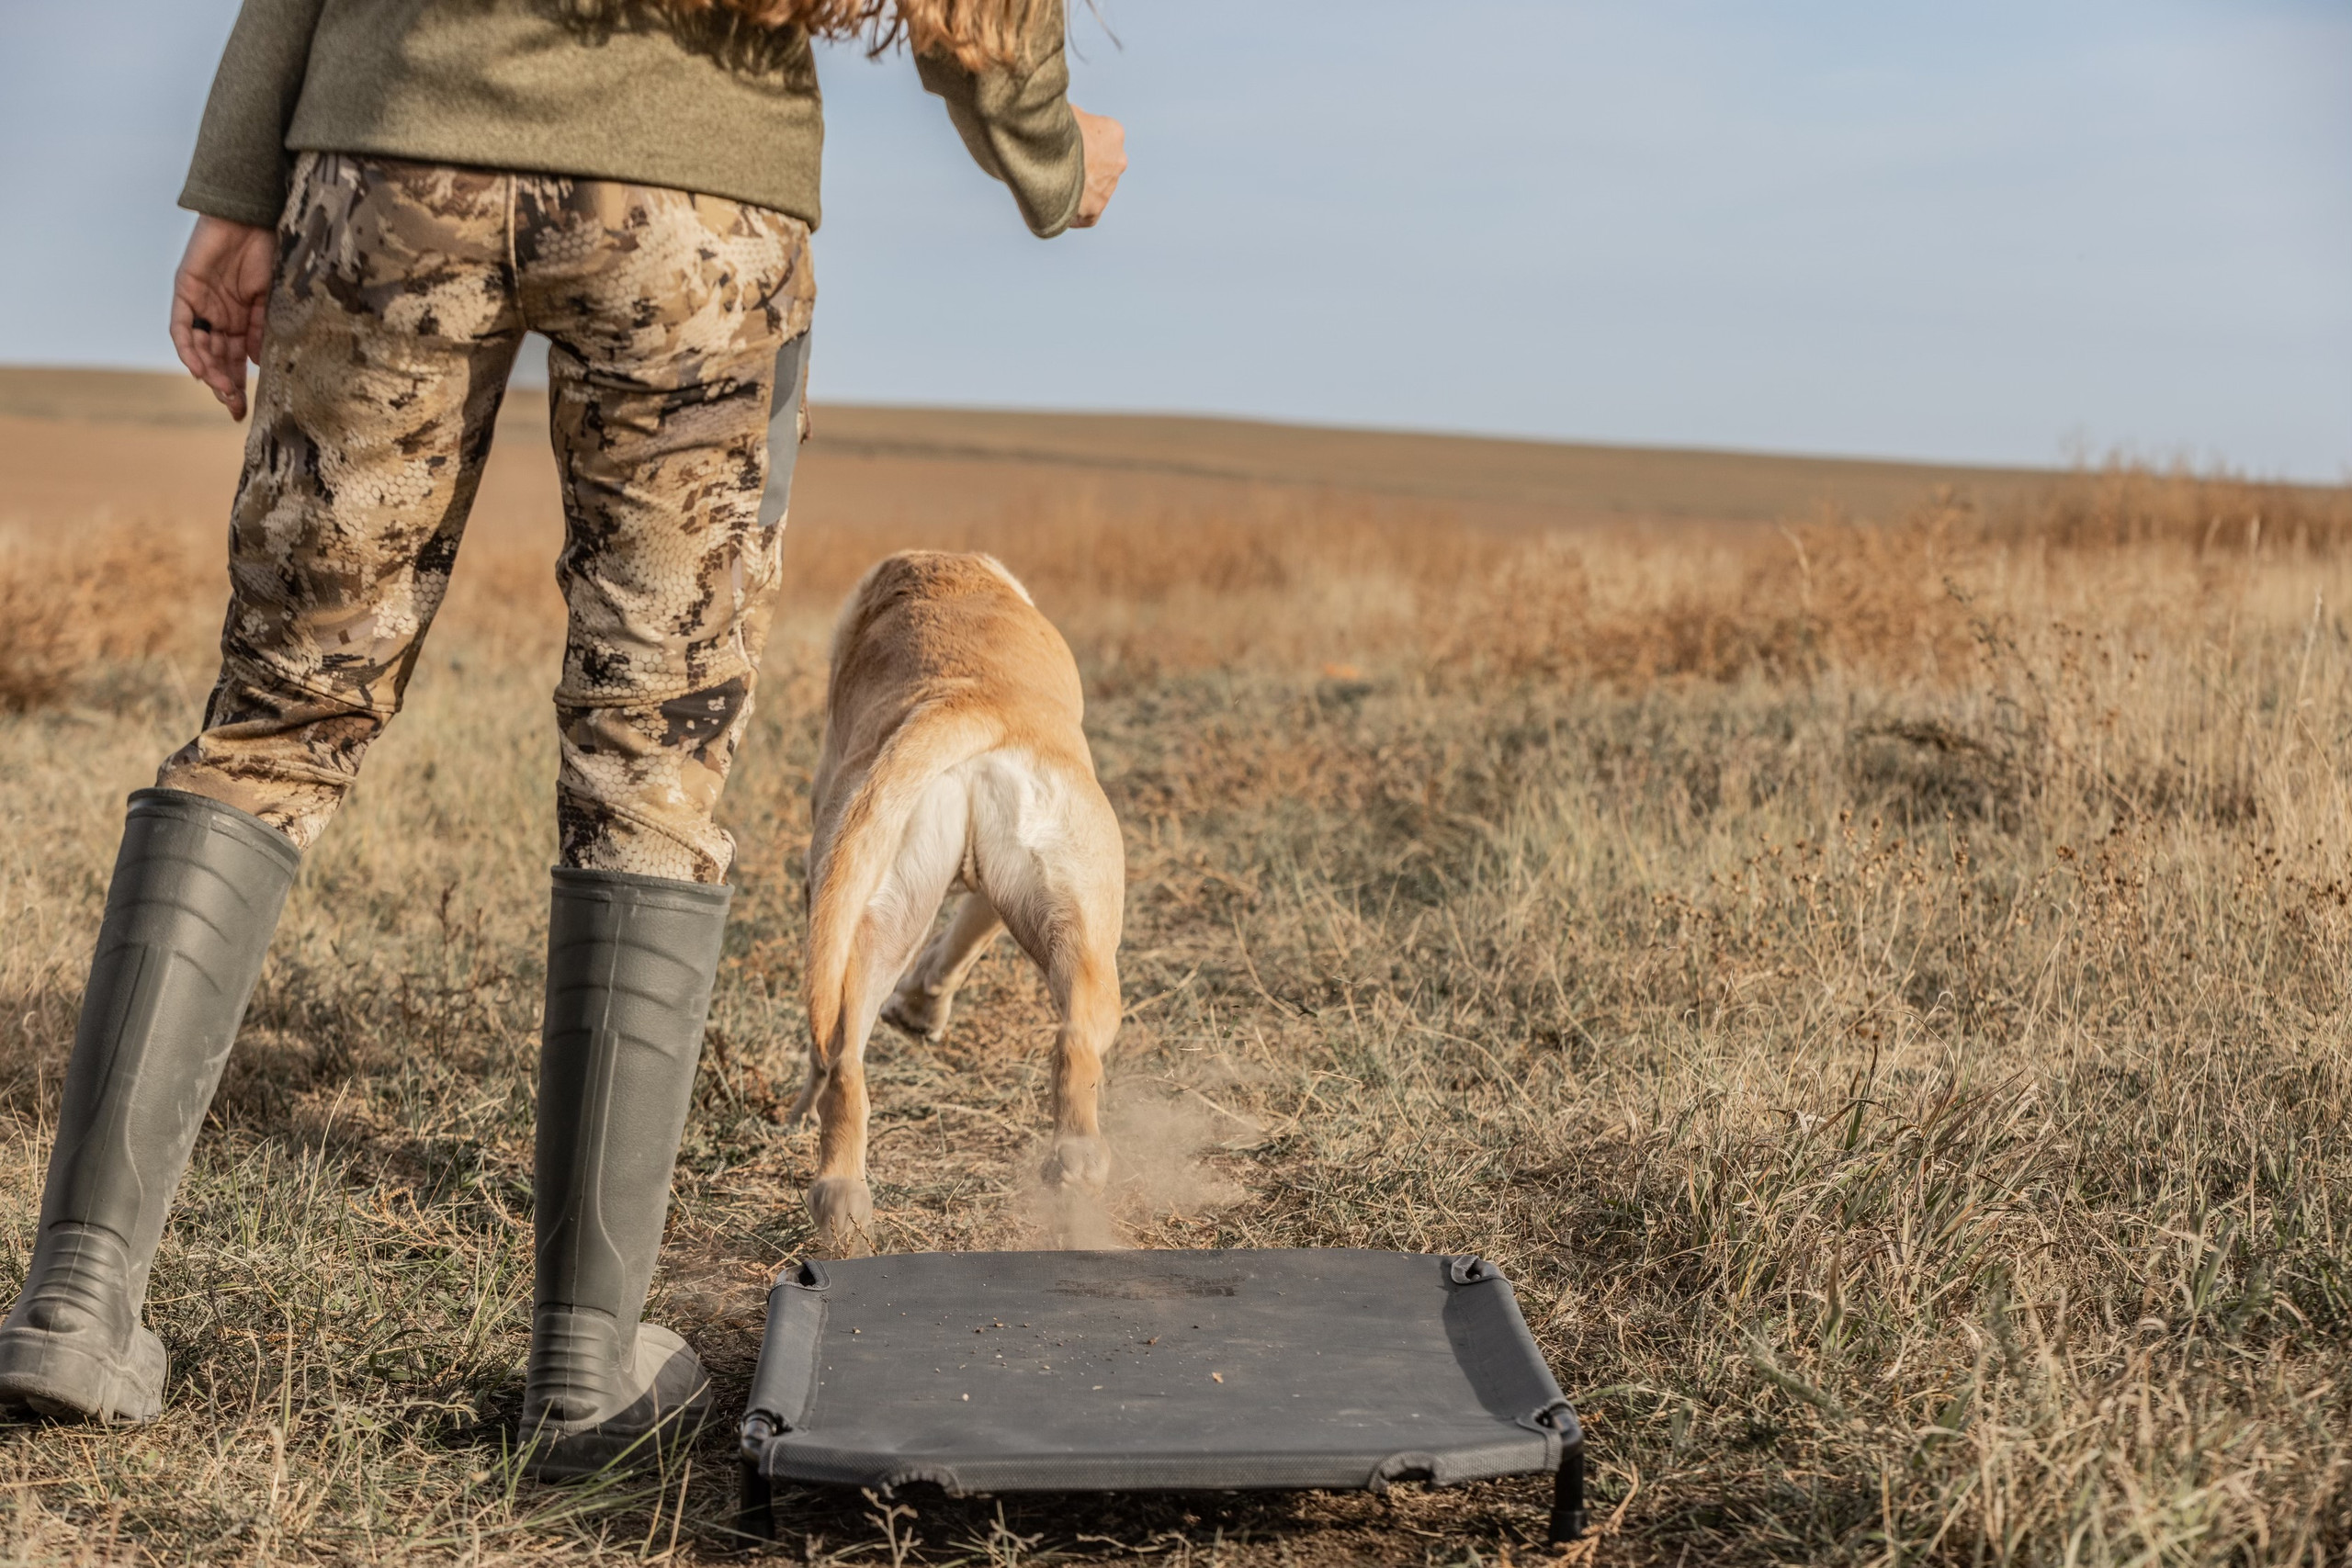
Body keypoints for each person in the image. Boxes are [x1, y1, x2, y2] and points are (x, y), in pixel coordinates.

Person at [0, 0, 1124, 1475]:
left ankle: (79, 1299)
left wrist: (235, 185)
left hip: (391, 151)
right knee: (650, 767)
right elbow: (972, 19)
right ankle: (586, 1373)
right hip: (695, 208)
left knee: (276, 715)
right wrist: (1049, 154)